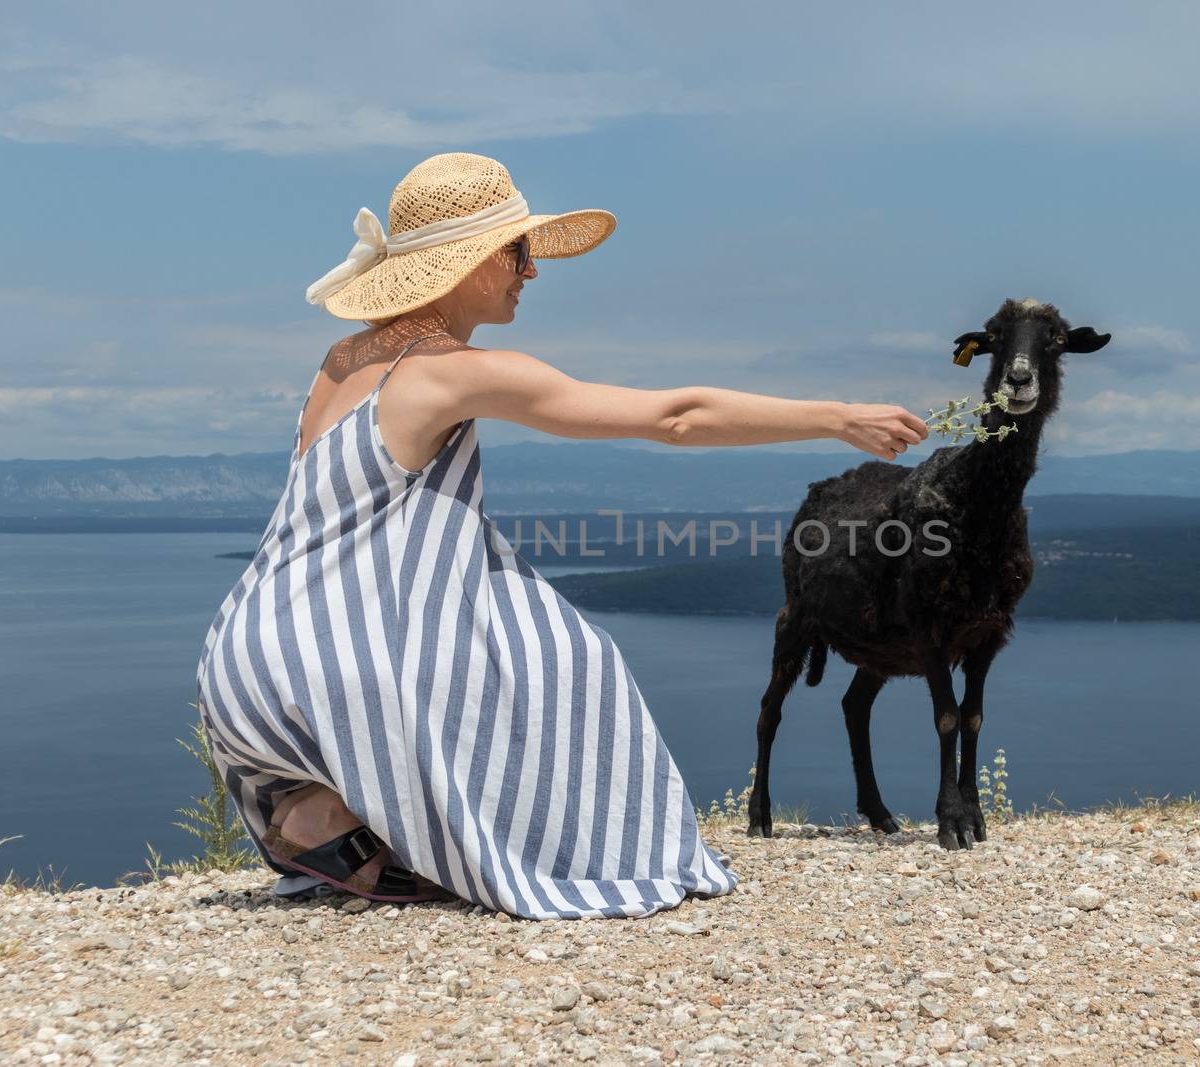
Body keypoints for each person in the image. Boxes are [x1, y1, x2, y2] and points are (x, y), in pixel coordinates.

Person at [194, 152, 928, 919]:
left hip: (245, 663)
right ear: (468, 261)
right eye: (517, 250)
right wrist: (837, 417)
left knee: (506, 620)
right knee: (569, 655)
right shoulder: (453, 371)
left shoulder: (342, 359)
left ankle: (334, 816)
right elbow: (673, 418)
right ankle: (556, 850)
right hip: (338, 668)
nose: (531, 271)